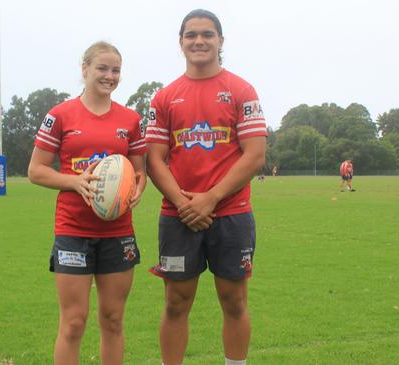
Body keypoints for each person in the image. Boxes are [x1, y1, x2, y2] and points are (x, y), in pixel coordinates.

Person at [145, 9, 267, 365]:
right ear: (181, 43)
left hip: (231, 214)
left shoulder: (242, 90)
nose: (199, 41)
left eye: (207, 34)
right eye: (191, 34)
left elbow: (254, 155)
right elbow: (155, 159)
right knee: (175, 302)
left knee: (234, 300)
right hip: (178, 215)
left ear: (220, 41)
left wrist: (210, 199)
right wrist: (185, 204)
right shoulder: (164, 97)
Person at [27, 41, 146, 365]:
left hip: (117, 232)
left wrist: (137, 187)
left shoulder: (130, 120)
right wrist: (74, 182)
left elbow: (139, 171)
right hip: (73, 231)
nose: (110, 76)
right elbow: (35, 171)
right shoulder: (60, 115)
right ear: (85, 69)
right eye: (102, 68)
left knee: (113, 320)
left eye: (116, 70)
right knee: (74, 322)